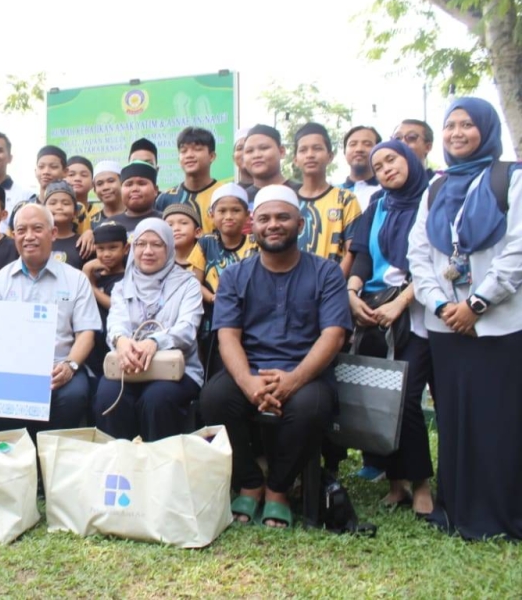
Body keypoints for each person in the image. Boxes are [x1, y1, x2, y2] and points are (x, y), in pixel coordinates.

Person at [201, 185, 350, 528]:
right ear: (252, 226)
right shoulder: (236, 275)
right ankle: (251, 484)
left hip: (307, 373)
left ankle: (279, 489)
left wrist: (294, 379)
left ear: (300, 225)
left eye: (283, 217)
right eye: (265, 218)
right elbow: (228, 335)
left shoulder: (326, 272)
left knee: (309, 407)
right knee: (214, 398)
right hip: (249, 370)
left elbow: (334, 334)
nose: (273, 225)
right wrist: (249, 382)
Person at [407, 97, 522, 541]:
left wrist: (475, 304)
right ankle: (457, 509)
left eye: (467, 125)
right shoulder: (436, 188)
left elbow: (516, 250)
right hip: (446, 327)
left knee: (500, 420)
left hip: (498, 323)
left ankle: (500, 514)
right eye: (451, 125)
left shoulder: (509, 178)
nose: (457, 133)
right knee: (456, 420)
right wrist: (441, 307)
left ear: (487, 130)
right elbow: (420, 254)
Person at [348, 140, 434, 517]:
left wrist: (402, 302)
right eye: (378, 166)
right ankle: (394, 483)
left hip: (414, 313)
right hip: (372, 309)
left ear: (410, 160)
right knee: (376, 397)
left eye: (392, 160)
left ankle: (421, 484)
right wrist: (352, 293)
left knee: (406, 397)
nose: (385, 169)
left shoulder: (432, 199)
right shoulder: (377, 205)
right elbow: (363, 255)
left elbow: (435, 260)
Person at [0, 204, 100, 433]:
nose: (29, 237)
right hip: (12, 367)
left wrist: (69, 365)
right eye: (21, 230)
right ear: (13, 235)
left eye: (37, 228)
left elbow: (86, 333)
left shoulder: (75, 280)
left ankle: (52, 460)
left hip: (60, 366)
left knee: (74, 395)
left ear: (53, 233)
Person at [95, 218, 205, 442]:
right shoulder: (122, 286)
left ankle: (159, 469)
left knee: (157, 399)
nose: (148, 251)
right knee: (108, 395)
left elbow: (187, 328)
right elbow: (116, 322)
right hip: (128, 368)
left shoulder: (188, 284)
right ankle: (121, 467)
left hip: (176, 369)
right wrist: (121, 341)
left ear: (169, 248)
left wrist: (154, 342)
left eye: (157, 244)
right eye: (141, 243)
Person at [188, 183, 258, 372]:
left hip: (249, 312)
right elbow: (194, 281)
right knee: (213, 362)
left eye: (236, 210)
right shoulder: (205, 243)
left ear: (247, 215)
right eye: (222, 211)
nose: (228, 216)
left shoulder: (255, 243)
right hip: (213, 312)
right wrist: (213, 298)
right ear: (212, 214)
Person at [293, 123, 362, 277]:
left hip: (331, 289)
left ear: (330, 156)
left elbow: (352, 251)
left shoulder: (345, 199)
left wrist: (332, 286)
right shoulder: (287, 201)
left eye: (317, 148)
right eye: (303, 150)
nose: (310, 154)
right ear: (295, 159)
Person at [83, 222, 129, 379]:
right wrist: (87, 272)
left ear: (126, 249)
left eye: (113, 248)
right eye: (101, 249)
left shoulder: (129, 278)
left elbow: (115, 305)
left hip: (116, 348)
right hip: (91, 350)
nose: (106, 254)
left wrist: (92, 288)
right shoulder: (95, 275)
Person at [155, 127, 221, 234]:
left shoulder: (223, 194)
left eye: (197, 149)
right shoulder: (165, 199)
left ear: (212, 156)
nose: (189, 155)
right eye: (183, 151)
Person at [242, 124, 301, 203]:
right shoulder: (241, 200)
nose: (256, 155)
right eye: (249, 151)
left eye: (264, 148)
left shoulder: (302, 194)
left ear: (281, 151)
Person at [110, 160, 162, 235]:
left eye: (142, 183)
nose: (135, 189)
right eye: (129, 184)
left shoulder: (167, 220)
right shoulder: (111, 224)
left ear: (155, 190)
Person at [339, 125, 383, 210]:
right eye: (353, 144)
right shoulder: (331, 193)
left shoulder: (388, 193)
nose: (359, 149)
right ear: (344, 152)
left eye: (367, 144)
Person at [45, 181, 87, 267]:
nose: (59, 207)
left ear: (75, 212)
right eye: (53, 203)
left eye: (66, 203)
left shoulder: (83, 243)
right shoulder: (39, 241)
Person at [66, 156, 100, 233]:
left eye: (84, 175)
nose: (77, 178)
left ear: (92, 184)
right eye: (71, 175)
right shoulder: (56, 213)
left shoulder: (100, 215)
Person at [163, 203, 202, 269]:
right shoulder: (161, 262)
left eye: (183, 223)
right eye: (170, 225)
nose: (176, 228)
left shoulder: (206, 259)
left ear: (197, 232)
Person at [89, 160, 125, 228]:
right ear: (94, 189)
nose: (106, 187)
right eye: (100, 184)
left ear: (122, 182)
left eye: (111, 181)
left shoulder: (136, 214)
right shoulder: (92, 222)